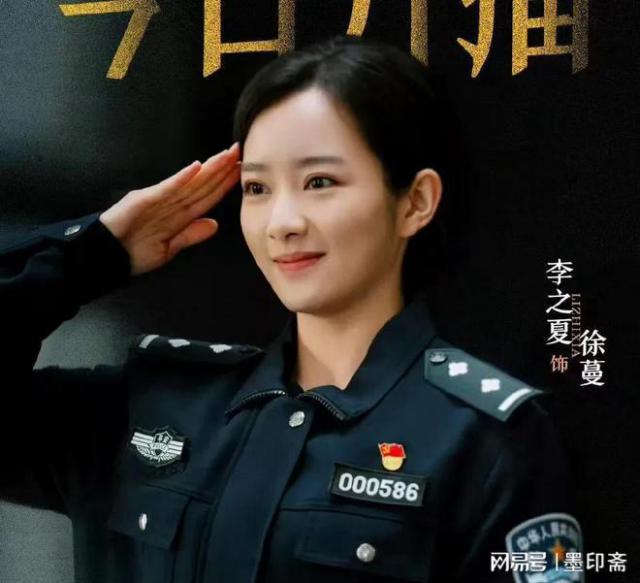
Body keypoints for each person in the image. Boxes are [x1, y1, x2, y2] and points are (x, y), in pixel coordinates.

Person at [0, 35, 583, 583]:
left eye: (320, 182)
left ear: (415, 202)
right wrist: (90, 255)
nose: (282, 223)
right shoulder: (151, 404)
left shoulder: (483, 441)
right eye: (257, 188)